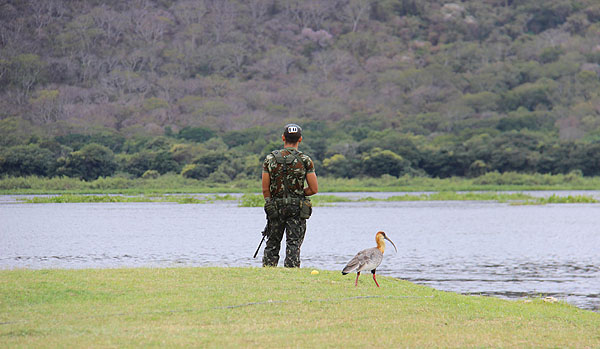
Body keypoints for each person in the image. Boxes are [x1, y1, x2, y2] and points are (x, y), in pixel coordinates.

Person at [261, 123, 318, 268]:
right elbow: (314, 189)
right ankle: (291, 272)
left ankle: (268, 271)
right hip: (296, 207)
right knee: (293, 243)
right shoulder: (305, 160)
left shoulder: (270, 159)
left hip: (276, 205)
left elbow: (265, 189)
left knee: (272, 242)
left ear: (283, 138)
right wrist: (298, 193)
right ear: (300, 139)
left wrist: (270, 202)